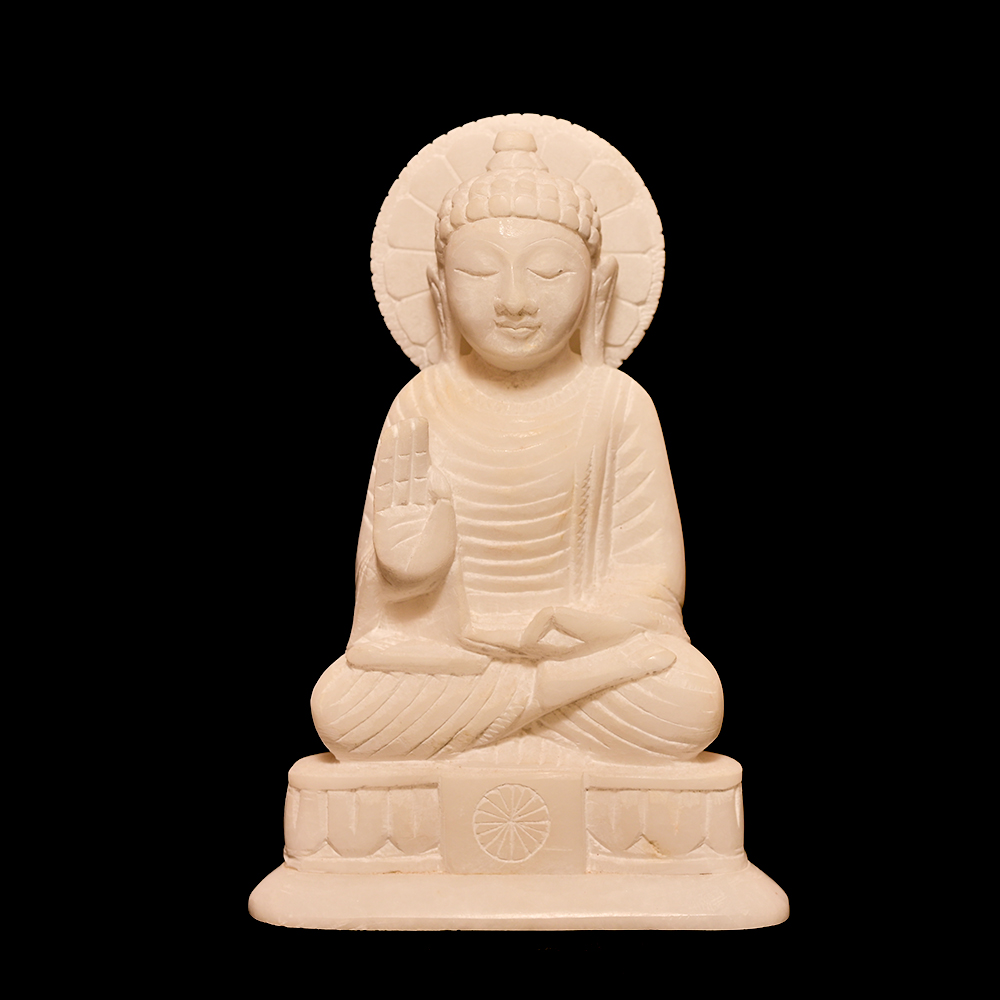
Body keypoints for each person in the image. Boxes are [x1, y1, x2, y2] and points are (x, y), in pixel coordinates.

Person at [311, 131, 722, 763]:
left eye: (550, 271)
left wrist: (573, 625)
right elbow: (382, 625)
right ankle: (543, 701)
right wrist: (408, 576)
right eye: (479, 272)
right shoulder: (419, 405)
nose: (515, 301)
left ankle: (512, 709)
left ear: (599, 285)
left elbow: (653, 585)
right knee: (343, 704)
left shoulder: (618, 404)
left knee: (689, 698)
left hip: (574, 652)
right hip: (458, 659)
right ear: (438, 287)